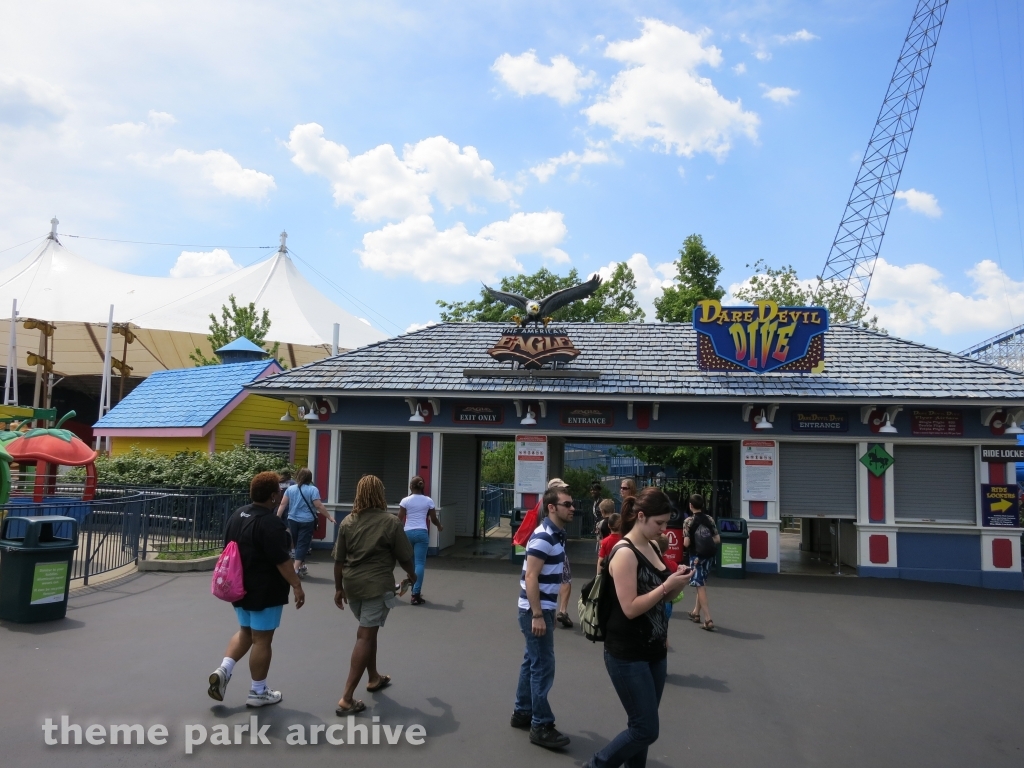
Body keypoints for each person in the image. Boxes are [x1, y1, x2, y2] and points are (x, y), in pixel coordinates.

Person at [584, 488, 692, 768]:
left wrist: (675, 581)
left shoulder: (653, 547)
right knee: (645, 729)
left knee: (640, 727)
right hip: (626, 653)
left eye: (666, 522)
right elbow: (630, 607)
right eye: (659, 523)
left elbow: (662, 596)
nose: (664, 529)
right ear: (640, 516)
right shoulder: (624, 553)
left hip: (654, 650)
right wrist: (667, 586)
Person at [207, 472, 305, 708]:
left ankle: (224, 670)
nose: (281, 494)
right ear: (273, 496)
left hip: (238, 587)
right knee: (262, 640)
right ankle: (258, 691)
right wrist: (297, 585)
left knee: (245, 632)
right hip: (265, 590)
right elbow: (282, 561)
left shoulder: (237, 515)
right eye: (279, 491)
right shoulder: (271, 523)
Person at [333, 474, 417, 715]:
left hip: (352, 586)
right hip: (376, 586)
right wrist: (412, 576)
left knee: (368, 631)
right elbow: (405, 556)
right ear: (380, 494)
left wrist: (338, 588)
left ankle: (374, 677)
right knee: (365, 636)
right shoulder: (390, 522)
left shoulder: (348, 521)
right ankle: (347, 698)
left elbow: (339, 560)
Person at [511, 485, 575, 750]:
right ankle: (541, 724)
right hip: (534, 611)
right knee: (543, 667)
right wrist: (538, 614)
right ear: (552, 507)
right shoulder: (544, 537)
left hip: (541, 610)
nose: (573, 509)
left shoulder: (556, 535)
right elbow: (531, 577)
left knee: (531, 662)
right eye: (567, 504)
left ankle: (523, 712)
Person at [277, 468, 335, 579]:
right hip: (307, 521)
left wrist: (276, 519)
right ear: (310, 478)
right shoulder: (313, 490)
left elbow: (282, 505)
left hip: (292, 520)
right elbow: (318, 506)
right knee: (303, 544)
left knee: (297, 544)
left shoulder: (291, 489)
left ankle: (301, 566)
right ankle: (295, 569)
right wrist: (329, 516)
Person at [398, 475, 443, 605]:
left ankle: (410, 581)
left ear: (411, 487)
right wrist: (439, 526)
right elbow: (433, 519)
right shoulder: (428, 500)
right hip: (422, 533)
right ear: (422, 486)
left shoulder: (405, 501)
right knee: (419, 564)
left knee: (410, 563)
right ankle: (415, 594)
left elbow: (399, 519)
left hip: (407, 533)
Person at [682, 493, 721, 631]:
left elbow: (686, 543)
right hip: (709, 556)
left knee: (700, 586)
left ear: (690, 505)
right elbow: (717, 539)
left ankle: (708, 619)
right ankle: (696, 613)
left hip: (696, 556)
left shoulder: (688, 522)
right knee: (702, 583)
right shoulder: (709, 519)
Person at [547, 477, 574, 629]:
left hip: (554, 546)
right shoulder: (552, 507)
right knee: (565, 579)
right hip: (556, 547)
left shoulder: (544, 506)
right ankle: (561, 610)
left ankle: (551, 610)